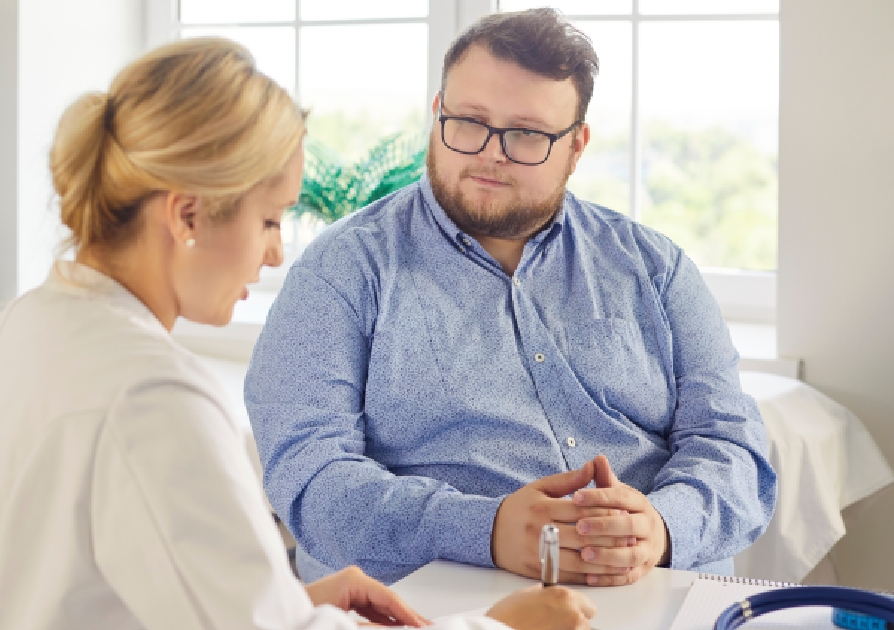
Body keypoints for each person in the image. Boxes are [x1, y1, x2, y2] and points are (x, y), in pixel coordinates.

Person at [0, 37, 597, 630]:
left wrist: (288, 603)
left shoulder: (10, 338)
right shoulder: (150, 397)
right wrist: (498, 625)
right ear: (189, 215)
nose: (274, 254)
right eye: (269, 219)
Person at [245, 8, 777, 587]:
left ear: (576, 146)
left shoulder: (657, 268)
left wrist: (663, 526)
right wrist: (485, 529)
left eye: (527, 133)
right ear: (437, 113)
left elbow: (733, 446)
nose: (491, 152)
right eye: (469, 120)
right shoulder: (340, 271)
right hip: (445, 601)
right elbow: (309, 476)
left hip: (660, 593)